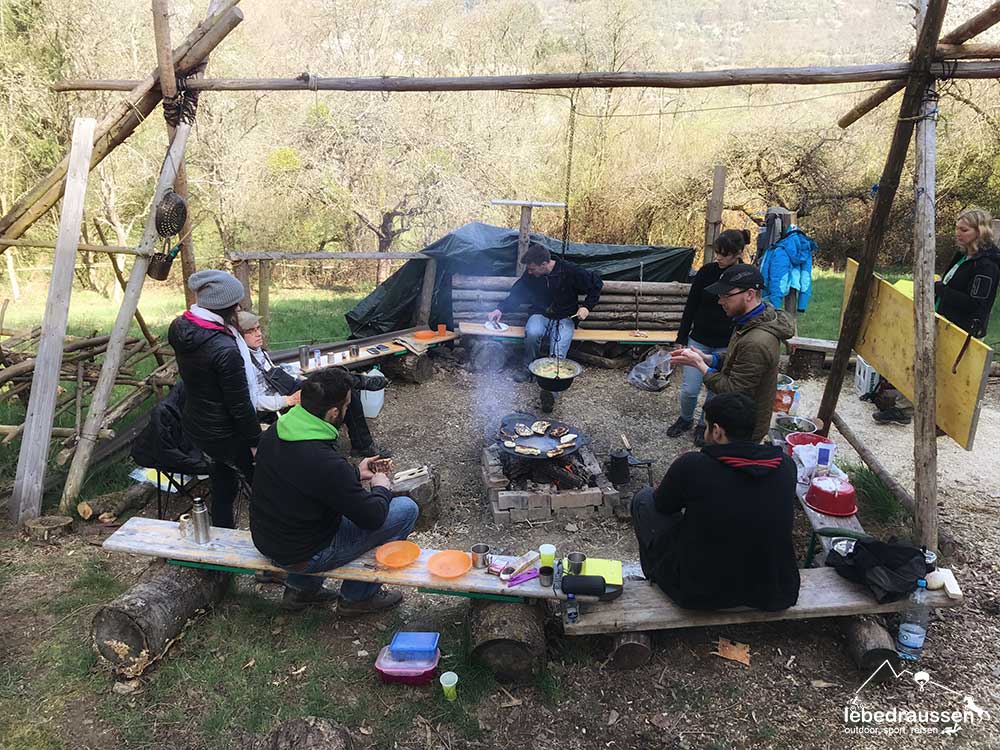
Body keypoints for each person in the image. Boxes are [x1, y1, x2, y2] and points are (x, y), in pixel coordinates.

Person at [250, 367, 419, 614]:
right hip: (305, 554)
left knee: (319, 512)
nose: (348, 410)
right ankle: (358, 596)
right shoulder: (325, 462)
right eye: (347, 406)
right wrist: (381, 487)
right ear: (333, 412)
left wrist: (354, 473)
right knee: (405, 509)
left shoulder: (277, 431)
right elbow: (372, 517)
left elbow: (308, 480)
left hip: (268, 540)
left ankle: (300, 590)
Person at [631, 392, 800, 611]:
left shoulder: (694, 465)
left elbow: (663, 506)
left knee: (643, 499)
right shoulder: (785, 465)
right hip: (773, 588)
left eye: (707, 427)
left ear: (718, 431)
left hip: (700, 592)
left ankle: (655, 573)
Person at [872, 208, 1000, 426]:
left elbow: (975, 303)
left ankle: (943, 420)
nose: (958, 233)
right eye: (957, 228)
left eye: (964, 229)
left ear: (980, 231)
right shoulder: (962, 256)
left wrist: (940, 289)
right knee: (923, 362)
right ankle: (905, 408)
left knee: (946, 374)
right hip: (944, 318)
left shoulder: (986, 265)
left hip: (963, 328)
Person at [168, 270, 259, 529]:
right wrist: (255, 443)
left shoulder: (182, 327)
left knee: (223, 485)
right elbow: (239, 404)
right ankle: (275, 546)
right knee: (264, 488)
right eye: (236, 303)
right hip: (225, 432)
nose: (240, 307)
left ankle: (219, 545)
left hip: (199, 425)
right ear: (226, 307)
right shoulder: (224, 348)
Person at [236, 311, 391, 457]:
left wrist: (297, 374)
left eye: (258, 328)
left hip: (290, 387)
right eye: (251, 331)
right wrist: (287, 400)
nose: (258, 333)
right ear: (240, 336)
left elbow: (273, 372)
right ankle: (361, 384)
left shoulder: (257, 351)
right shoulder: (241, 362)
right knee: (337, 388)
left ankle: (362, 443)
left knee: (335, 380)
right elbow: (252, 401)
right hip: (280, 404)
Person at [670, 263, 795, 443]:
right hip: (738, 420)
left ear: (750, 294)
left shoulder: (756, 341)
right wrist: (709, 358)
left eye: (726, 295)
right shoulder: (750, 322)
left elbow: (733, 390)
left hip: (743, 431)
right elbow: (737, 359)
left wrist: (700, 366)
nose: (720, 301)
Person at [486, 242, 603, 398]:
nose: (529, 271)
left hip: (565, 317)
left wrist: (587, 307)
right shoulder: (531, 275)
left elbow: (596, 284)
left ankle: (551, 390)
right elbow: (518, 294)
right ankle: (528, 368)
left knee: (558, 349)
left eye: (532, 268)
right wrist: (500, 308)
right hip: (539, 314)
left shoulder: (570, 270)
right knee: (532, 332)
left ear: (544, 264)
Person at [668, 229, 747, 443]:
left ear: (738, 252)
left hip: (725, 344)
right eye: (717, 253)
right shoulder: (706, 271)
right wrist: (681, 337)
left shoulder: (743, 276)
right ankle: (685, 418)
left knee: (714, 391)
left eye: (725, 254)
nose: (719, 258)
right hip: (698, 340)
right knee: (689, 389)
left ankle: (706, 424)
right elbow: (691, 305)